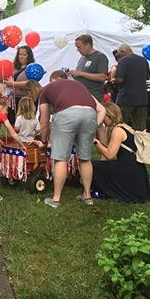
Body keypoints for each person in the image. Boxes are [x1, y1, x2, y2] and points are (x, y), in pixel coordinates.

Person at [39, 70, 106, 208]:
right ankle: (87, 196)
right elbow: (101, 109)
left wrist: (44, 140)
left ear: (52, 80)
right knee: (85, 158)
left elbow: (44, 120)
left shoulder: (46, 90)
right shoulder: (79, 85)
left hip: (66, 115)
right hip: (90, 115)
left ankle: (56, 199)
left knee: (61, 159)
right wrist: (94, 125)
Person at [91, 103, 150, 203]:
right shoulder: (124, 127)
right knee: (101, 165)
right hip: (136, 170)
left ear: (109, 116)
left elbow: (110, 155)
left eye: (103, 116)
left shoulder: (117, 131)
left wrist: (95, 141)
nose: (101, 119)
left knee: (92, 165)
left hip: (127, 169)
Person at [113, 43, 150, 130]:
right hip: (141, 99)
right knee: (141, 128)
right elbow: (147, 77)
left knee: (120, 125)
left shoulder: (124, 61)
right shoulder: (143, 60)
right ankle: (141, 143)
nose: (118, 55)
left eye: (118, 53)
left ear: (123, 51)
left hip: (125, 98)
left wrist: (113, 80)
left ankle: (120, 142)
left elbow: (120, 79)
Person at [70, 34, 109, 102]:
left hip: (94, 98)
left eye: (79, 47)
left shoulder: (100, 57)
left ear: (87, 45)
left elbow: (102, 77)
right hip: (81, 97)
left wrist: (81, 74)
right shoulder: (82, 58)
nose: (77, 50)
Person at [5, 45, 35, 124]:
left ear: (29, 56)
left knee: (24, 122)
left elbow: (30, 83)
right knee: (12, 121)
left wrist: (13, 84)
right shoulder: (14, 66)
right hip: (12, 99)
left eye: (24, 55)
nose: (21, 57)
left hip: (25, 99)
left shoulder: (32, 68)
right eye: (20, 54)